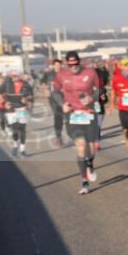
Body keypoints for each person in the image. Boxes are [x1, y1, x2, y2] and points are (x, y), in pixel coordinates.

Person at [54, 51, 101, 195]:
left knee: (91, 150)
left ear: (79, 62)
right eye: (70, 64)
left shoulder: (91, 73)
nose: (73, 67)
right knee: (81, 145)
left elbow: (100, 89)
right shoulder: (61, 75)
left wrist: (91, 98)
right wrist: (62, 104)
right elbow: (55, 92)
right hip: (73, 115)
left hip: (88, 114)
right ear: (67, 64)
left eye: (76, 64)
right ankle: (84, 181)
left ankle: (90, 164)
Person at [1, 72, 34, 157]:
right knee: (15, 130)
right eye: (14, 76)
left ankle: (22, 150)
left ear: (20, 76)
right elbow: (0, 94)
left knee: (22, 130)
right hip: (11, 111)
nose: (15, 77)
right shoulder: (7, 85)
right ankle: (15, 147)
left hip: (22, 110)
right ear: (11, 77)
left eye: (17, 75)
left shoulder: (26, 85)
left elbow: (31, 96)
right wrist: (5, 103)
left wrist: (27, 99)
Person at [39, 59, 64, 146]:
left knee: (69, 117)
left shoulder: (66, 73)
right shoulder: (48, 73)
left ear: (61, 65)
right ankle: (58, 137)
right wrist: (45, 90)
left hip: (66, 97)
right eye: (56, 65)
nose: (57, 66)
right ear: (53, 65)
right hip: (53, 98)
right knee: (58, 115)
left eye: (59, 65)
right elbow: (42, 82)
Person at [93, 60, 110, 151]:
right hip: (90, 109)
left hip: (100, 108)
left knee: (98, 125)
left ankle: (96, 141)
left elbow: (105, 100)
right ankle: (95, 142)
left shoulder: (102, 89)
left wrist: (103, 99)